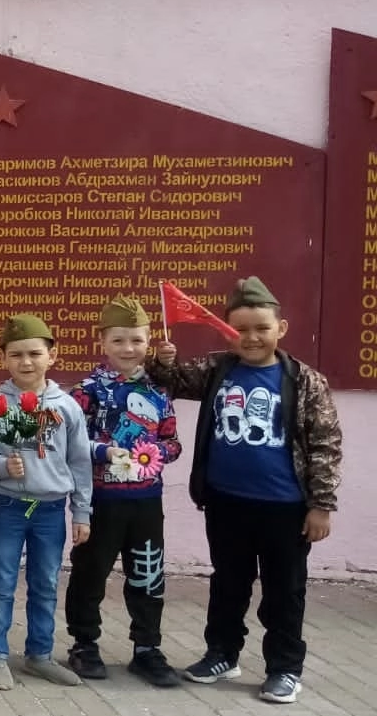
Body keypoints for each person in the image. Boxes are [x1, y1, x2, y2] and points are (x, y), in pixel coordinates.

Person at [148, 277, 342, 705]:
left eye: (261, 328)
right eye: (240, 330)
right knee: (228, 584)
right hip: (226, 502)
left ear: (281, 329)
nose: (251, 338)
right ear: (227, 331)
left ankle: (284, 668)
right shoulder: (219, 369)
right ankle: (222, 653)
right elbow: (173, 381)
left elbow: (326, 445)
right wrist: (162, 360)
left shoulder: (304, 381)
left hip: (286, 509)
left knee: (284, 591)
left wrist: (321, 506)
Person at [62, 296, 182, 687]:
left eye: (136, 340)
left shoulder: (159, 390)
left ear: (149, 342)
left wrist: (157, 453)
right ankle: (84, 644)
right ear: (102, 341)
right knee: (91, 573)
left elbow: (173, 441)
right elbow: (69, 442)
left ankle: (147, 648)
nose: (128, 349)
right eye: (118, 340)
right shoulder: (86, 392)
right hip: (100, 501)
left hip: (146, 502)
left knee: (147, 574)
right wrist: (104, 452)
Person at [0, 313, 92, 691]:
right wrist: (2, 466)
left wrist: (82, 511)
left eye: (34, 353)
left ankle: (39, 655)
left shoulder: (67, 407)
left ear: (52, 356)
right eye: (16, 354)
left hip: (50, 510)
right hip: (8, 507)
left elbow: (80, 462)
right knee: (1, 581)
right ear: (3, 358)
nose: (26, 362)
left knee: (45, 583)